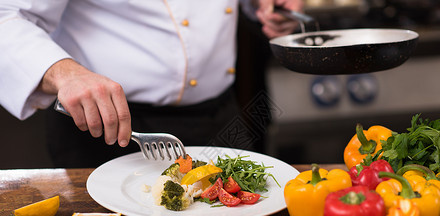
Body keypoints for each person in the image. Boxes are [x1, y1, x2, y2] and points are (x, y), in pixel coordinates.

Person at [0, 0, 303, 167]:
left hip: (220, 117)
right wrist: (65, 73)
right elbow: (7, 15)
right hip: (111, 128)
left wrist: (266, 6)